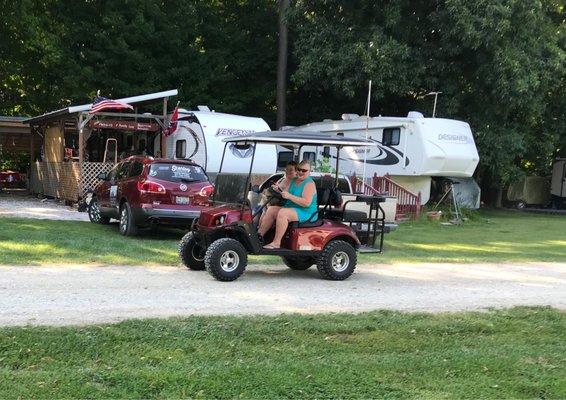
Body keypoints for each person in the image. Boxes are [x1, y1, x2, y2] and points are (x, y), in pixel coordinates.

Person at [258, 160, 317, 249]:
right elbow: (286, 192)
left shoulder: (309, 184)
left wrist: (289, 196)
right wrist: (278, 190)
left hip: (305, 211)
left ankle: (276, 243)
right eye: (299, 169)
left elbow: (306, 203)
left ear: (309, 172)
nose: (301, 172)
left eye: (304, 170)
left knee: (283, 213)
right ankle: (258, 236)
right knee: (271, 210)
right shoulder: (294, 180)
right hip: (292, 207)